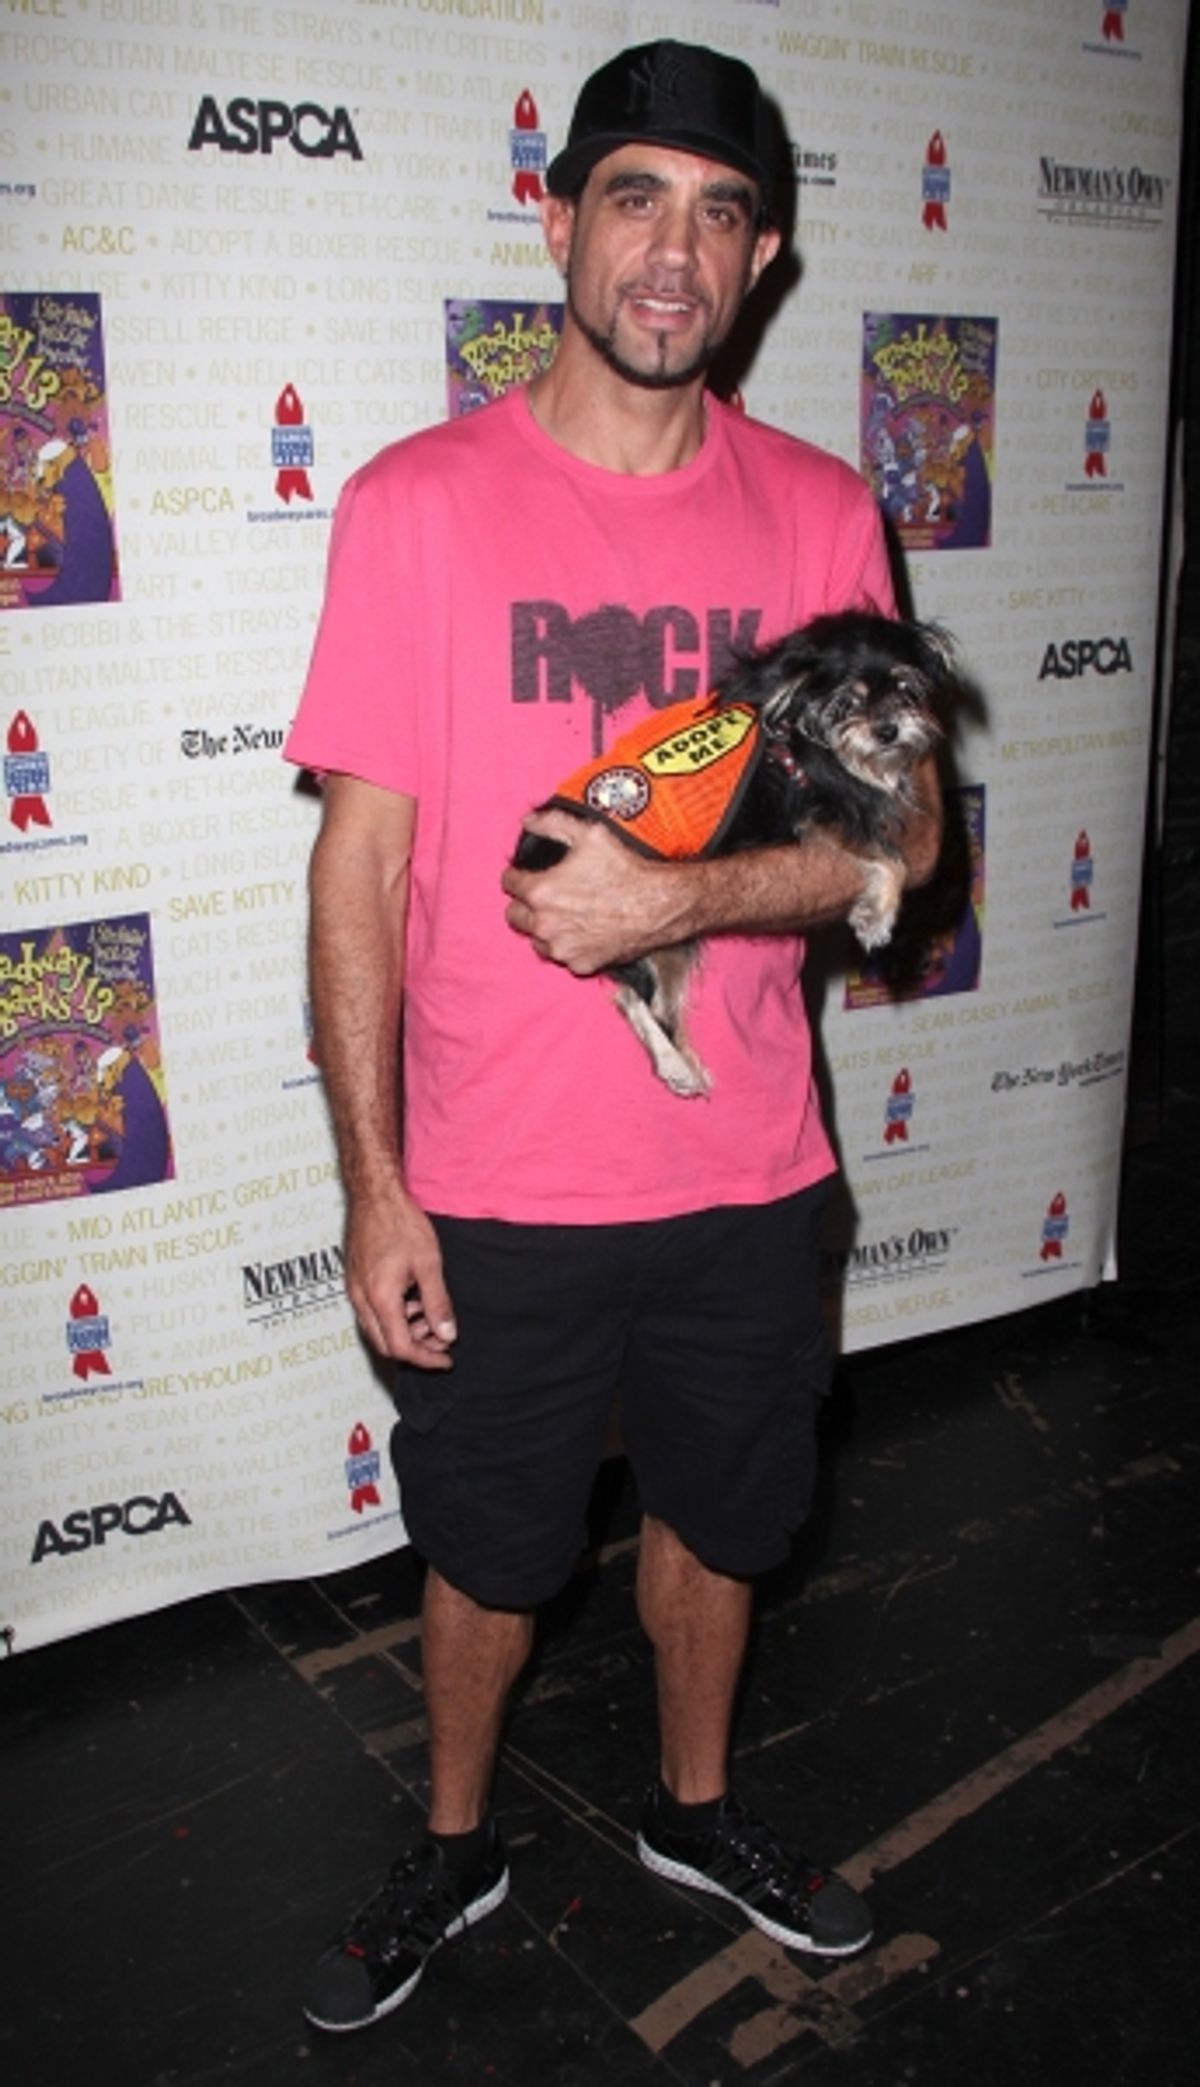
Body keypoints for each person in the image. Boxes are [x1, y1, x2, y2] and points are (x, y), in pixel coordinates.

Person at [285, 38, 942, 2035]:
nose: (677, 251)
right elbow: (360, 874)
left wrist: (684, 899)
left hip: (746, 1167)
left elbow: (905, 833)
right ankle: (463, 1841)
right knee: (486, 1557)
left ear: (761, 261)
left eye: (724, 212)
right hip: (493, 1181)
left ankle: (694, 1806)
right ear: (557, 220)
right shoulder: (417, 504)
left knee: (721, 1523)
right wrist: (375, 1183)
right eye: (637, 198)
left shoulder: (824, 514)